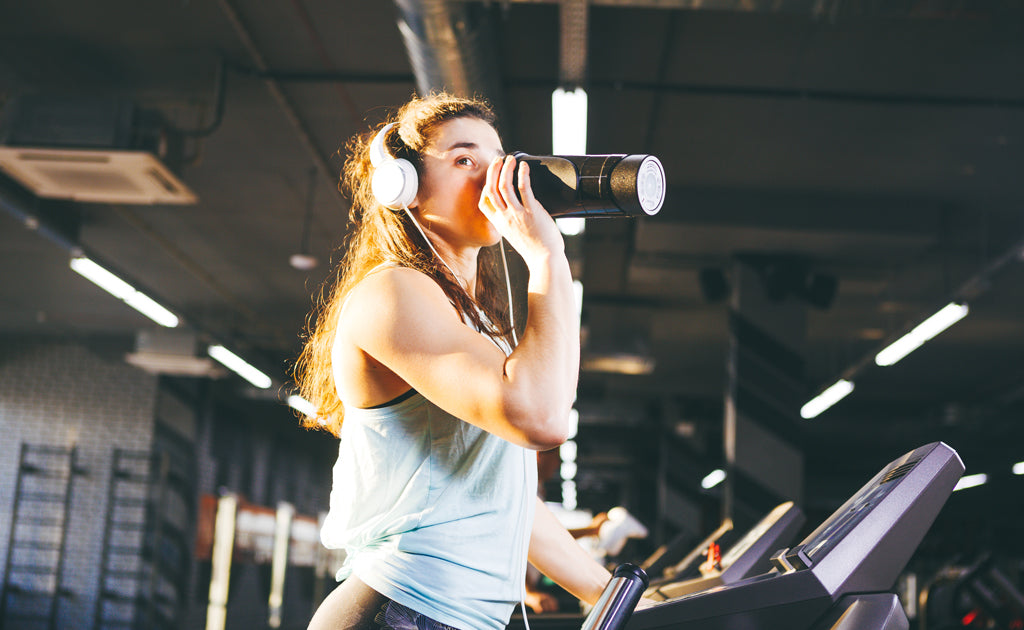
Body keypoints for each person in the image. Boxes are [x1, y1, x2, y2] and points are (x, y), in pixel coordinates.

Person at [294, 92, 614, 630]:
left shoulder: (471, 320)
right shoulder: (393, 292)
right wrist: (546, 256)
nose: (494, 177)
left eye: (497, 159)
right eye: (465, 159)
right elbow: (543, 419)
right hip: (401, 611)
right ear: (405, 187)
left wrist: (616, 595)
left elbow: (509, 500)